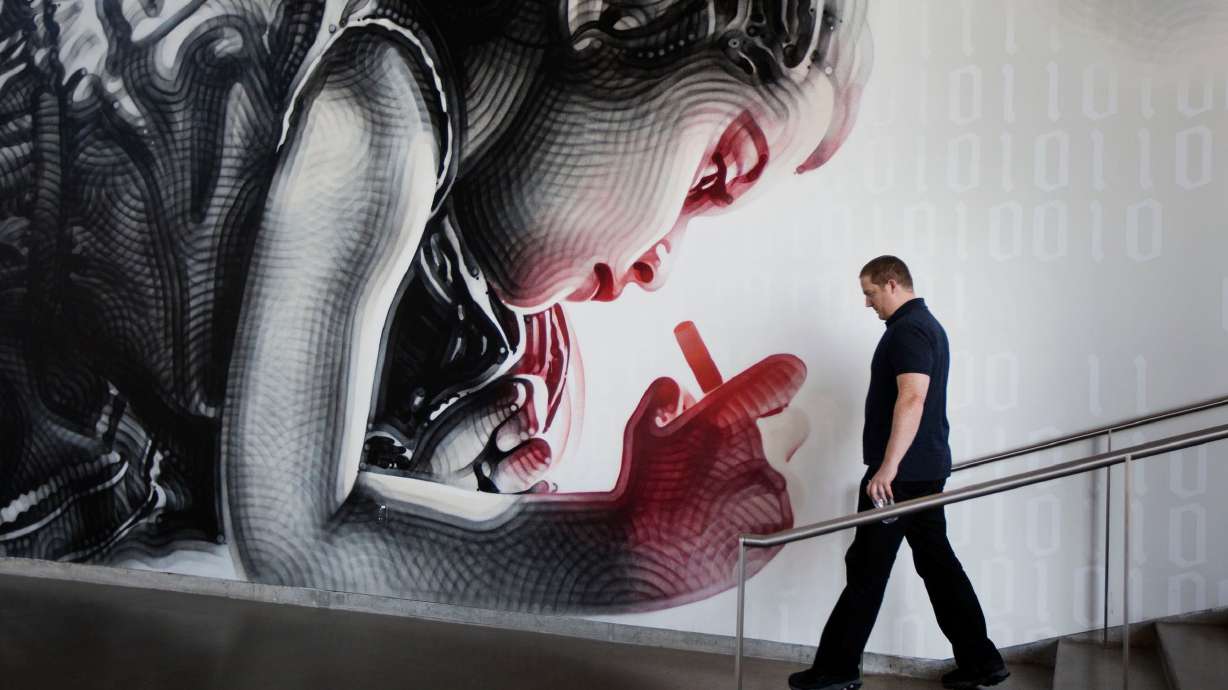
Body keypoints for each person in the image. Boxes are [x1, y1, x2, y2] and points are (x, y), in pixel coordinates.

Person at [0, 1, 871, 611]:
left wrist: (434, 498)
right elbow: (293, 551)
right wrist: (633, 549)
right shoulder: (380, 108)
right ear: (620, 14)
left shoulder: (491, 317)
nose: (660, 267)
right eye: (713, 176)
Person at [788, 256, 1008, 690]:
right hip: (923, 470)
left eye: (870, 293)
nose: (868, 304)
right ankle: (982, 662)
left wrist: (886, 469)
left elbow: (912, 398)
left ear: (892, 284)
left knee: (867, 566)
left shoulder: (908, 330)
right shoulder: (926, 325)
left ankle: (837, 670)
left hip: (901, 476)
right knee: (938, 564)